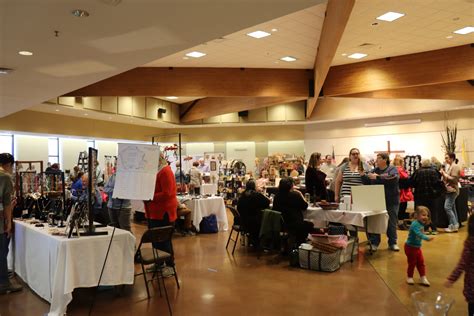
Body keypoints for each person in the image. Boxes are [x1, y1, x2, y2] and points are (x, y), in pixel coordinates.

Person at [144, 154, 178, 270]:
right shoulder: (158, 171)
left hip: (163, 212)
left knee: (164, 240)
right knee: (155, 240)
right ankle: (159, 263)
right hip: (154, 212)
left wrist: (150, 196)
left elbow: (167, 193)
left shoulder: (165, 171)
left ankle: (169, 265)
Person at [362, 152, 400, 251]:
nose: (376, 160)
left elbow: (393, 178)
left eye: (379, 158)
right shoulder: (375, 170)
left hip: (391, 200)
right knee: (375, 221)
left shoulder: (392, 169)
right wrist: (363, 176)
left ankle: (392, 243)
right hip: (377, 200)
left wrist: (378, 177)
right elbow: (368, 182)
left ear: (385, 160)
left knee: (391, 222)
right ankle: (374, 242)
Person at [0, 153, 22, 294]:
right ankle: (3, 284)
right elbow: (6, 203)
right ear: (9, 164)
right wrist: (8, 223)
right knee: (2, 251)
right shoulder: (5, 177)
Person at [445, 215, 474, 315]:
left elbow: (463, 263)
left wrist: (452, 278)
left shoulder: (470, 242)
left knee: (472, 305)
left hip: (472, 283)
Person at [273, 177, 313, 247]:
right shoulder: (295, 195)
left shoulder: (277, 197)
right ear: (291, 186)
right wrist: (300, 194)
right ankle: (300, 244)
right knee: (310, 225)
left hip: (282, 223)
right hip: (295, 223)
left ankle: (294, 243)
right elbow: (305, 206)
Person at [410, 159, 445, 234]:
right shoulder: (434, 171)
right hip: (432, 196)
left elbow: (412, 183)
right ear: (430, 164)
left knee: (420, 212)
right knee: (433, 212)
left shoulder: (417, 171)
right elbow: (438, 183)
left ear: (422, 164)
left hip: (420, 196)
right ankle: (434, 228)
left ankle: (422, 228)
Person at [404, 206, 433, 286]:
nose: (426, 217)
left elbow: (421, 233)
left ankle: (423, 277)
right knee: (412, 263)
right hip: (410, 247)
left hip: (417, 247)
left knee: (421, 262)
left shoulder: (420, 224)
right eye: (423, 215)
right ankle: (409, 277)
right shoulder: (414, 224)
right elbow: (418, 233)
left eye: (427, 215)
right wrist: (426, 238)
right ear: (417, 215)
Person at [237, 180, 270, 245]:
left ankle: (251, 240)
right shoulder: (256, 195)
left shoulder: (242, 195)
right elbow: (267, 202)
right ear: (254, 187)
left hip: (243, 221)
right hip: (255, 222)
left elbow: (238, 208)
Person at [440, 152, 461, 232]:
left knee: (447, 207)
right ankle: (454, 225)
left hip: (453, 190)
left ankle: (454, 225)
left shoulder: (455, 166)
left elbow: (453, 179)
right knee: (452, 207)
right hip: (449, 190)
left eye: (447, 158)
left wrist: (444, 174)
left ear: (452, 158)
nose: (445, 159)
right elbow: (447, 178)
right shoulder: (450, 166)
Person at [393, 156, 413, 229]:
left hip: (397, 191)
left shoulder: (393, 169)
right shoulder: (399, 169)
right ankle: (400, 223)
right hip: (402, 191)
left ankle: (397, 223)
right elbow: (406, 178)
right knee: (402, 207)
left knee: (398, 208)